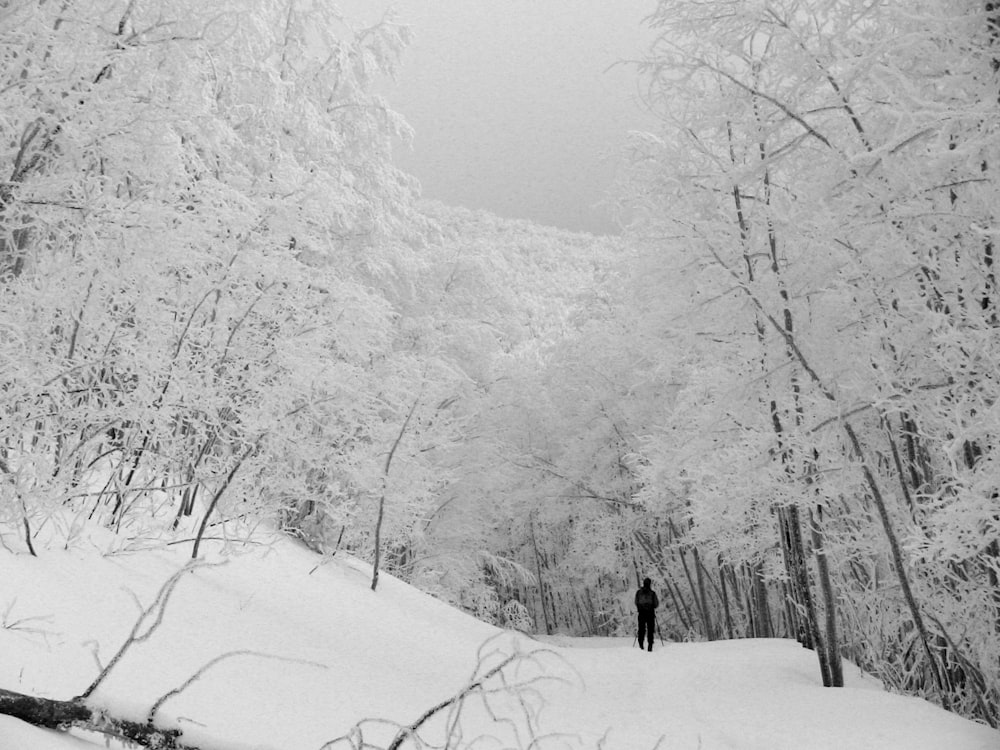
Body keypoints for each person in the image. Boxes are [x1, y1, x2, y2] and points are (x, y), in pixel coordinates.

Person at [635, 577, 658, 651]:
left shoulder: (638, 593)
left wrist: (640, 607)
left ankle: (641, 644)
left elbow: (636, 602)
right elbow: (656, 604)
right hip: (650, 613)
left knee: (641, 629)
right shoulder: (652, 593)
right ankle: (650, 645)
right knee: (650, 629)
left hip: (641, 613)